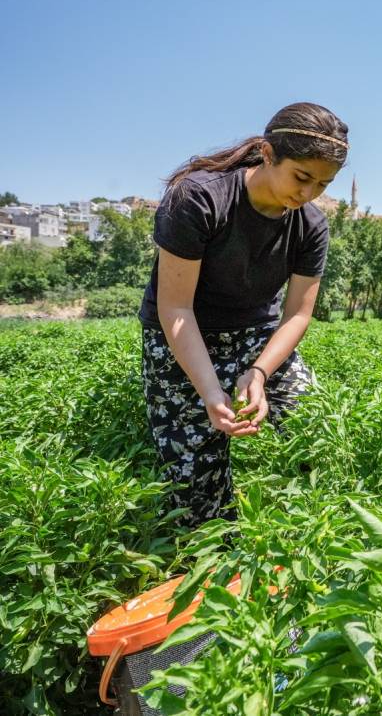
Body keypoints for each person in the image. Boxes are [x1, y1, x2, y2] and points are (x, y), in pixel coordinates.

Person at [139, 102, 347, 527]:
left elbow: (297, 315)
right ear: (268, 154)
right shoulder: (199, 198)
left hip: (257, 335)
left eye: (322, 185)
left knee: (320, 431)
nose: (308, 194)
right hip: (184, 335)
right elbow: (174, 307)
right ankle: (210, 555)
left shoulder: (310, 226)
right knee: (197, 485)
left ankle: (309, 535)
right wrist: (211, 392)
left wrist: (258, 373)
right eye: (302, 177)